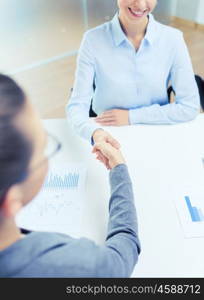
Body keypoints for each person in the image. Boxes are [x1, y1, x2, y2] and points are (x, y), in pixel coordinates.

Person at [0, 74, 140, 277]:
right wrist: (119, 171)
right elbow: (120, 259)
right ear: (11, 201)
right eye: (43, 150)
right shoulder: (74, 266)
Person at [66, 0, 200, 146]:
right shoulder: (92, 40)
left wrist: (131, 116)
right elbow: (76, 107)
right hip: (108, 133)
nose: (141, 5)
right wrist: (94, 133)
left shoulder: (173, 39)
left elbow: (190, 107)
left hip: (158, 131)